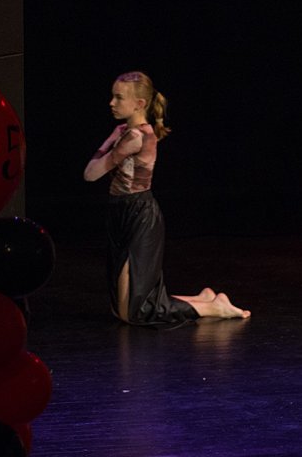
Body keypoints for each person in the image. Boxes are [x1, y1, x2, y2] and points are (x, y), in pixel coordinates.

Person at [83, 72, 249, 326]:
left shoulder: (134, 137)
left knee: (136, 313)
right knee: (121, 311)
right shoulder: (131, 132)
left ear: (139, 104)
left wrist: (110, 139)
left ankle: (214, 308)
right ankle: (203, 299)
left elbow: (90, 174)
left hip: (138, 214)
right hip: (121, 211)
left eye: (119, 97)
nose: (111, 103)